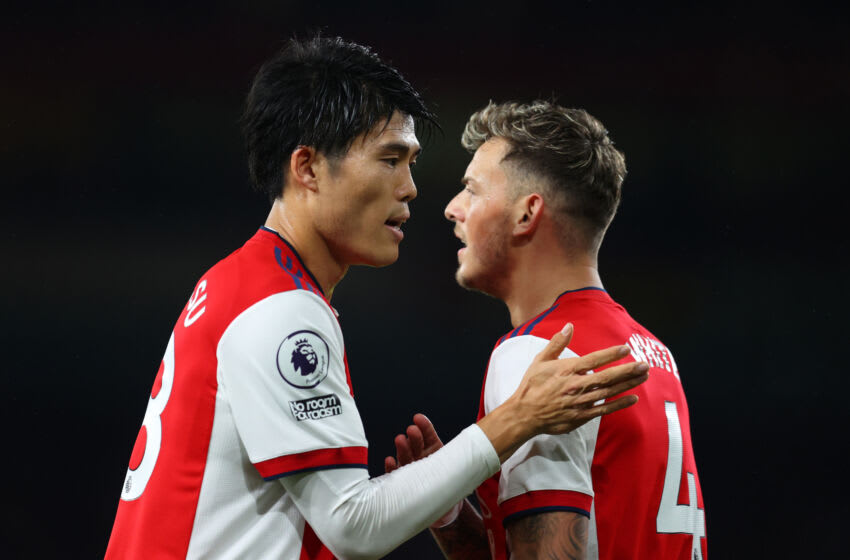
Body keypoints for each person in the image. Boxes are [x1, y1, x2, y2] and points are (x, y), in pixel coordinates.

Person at [104, 39, 649, 559]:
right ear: (308, 167)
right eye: (390, 160)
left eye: (410, 162)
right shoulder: (283, 312)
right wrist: (517, 420)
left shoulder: (240, 284)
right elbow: (352, 525)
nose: (411, 187)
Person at [386, 101, 707, 559]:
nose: (453, 209)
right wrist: (450, 512)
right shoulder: (654, 353)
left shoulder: (536, 357)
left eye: (472, 191)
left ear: (526, 214)